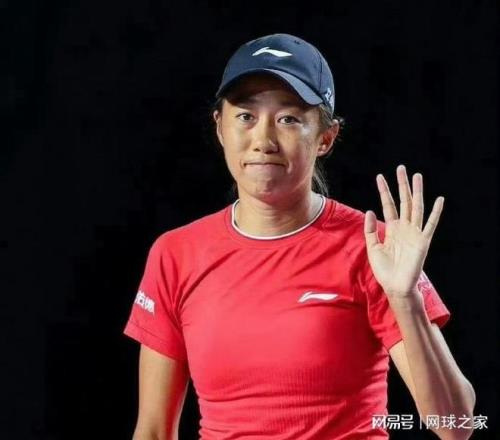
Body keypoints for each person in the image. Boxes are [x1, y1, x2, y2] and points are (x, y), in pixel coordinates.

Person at [123, 33, 476, 439]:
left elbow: (456, 425)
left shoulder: (374, 248)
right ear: (219, 127)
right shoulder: (176, 254)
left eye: (289, 119)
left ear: (326, 137)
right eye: (246, 116)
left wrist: (405, 299)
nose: (263, 141)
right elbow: (153, 430)